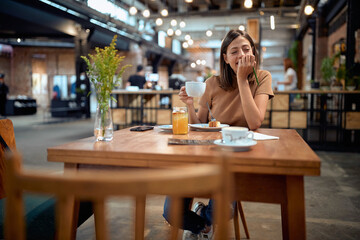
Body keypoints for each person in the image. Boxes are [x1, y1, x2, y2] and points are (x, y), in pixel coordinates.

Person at [163, 29, 274, 240]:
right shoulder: (211, 83)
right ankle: (204, 226)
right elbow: (199, 125)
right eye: (234, 51)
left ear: (253, 53)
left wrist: (242, 80)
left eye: (246, 49)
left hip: (237, 158)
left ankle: (203, 216)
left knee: (224, 210)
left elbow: (255, 122)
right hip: (204, 154)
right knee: (171, 212)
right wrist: (189, 106)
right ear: (225, 57)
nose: (241, 55)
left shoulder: (262, 78)